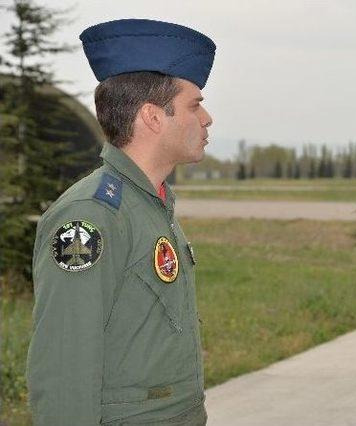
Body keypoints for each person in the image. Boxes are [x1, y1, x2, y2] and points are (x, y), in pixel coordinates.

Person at [26, 19, 215, 425]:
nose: (207, 118)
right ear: (152, 116)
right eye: (194, 105)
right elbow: (64, 366)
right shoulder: (89, 217)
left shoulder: (150, 204)